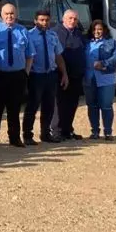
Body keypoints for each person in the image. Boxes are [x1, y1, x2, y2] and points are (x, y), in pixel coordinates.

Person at [0, 3, 34, 148]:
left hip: (18, 76)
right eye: (6, 14)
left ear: (16, 14)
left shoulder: (23, 31)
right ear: (1, 15)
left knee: (15, 108)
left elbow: (30, 54)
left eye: (12, 13)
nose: (9, 16)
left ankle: (15, 138)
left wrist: (26, 72)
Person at [23, 9, 68, 145]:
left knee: (49, 106)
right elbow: (26, 57)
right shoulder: (29, 36)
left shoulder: (52, 35)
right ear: (35, 21)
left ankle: (45, 133)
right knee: (32, 105)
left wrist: (64, 73)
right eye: (41, 20)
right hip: (36, 75)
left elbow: (58, 56)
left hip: (51, 75)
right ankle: (27, 135)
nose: (44, 22)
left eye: (47, 20)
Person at [85, 19, 116, 140]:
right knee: (92, 106)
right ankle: (95, 131)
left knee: (106, 105)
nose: (97, 32)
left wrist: (104, 63)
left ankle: (108, 132)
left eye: (99, 29)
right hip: (89, 79)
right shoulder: (86, 43)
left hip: (106, 79)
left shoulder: (111, 42)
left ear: (104, 30)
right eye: (94, 29)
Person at [54, 9, 88, 140]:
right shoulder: (56, 33)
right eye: (70, 18)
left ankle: (67, 130)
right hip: (60, 75)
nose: (72, 21)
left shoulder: (79, 34)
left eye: (75, 19)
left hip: (76, 75)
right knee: (59, 104)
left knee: (72, 104)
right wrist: (63, 73)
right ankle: (56, 131)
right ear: (63, 19)